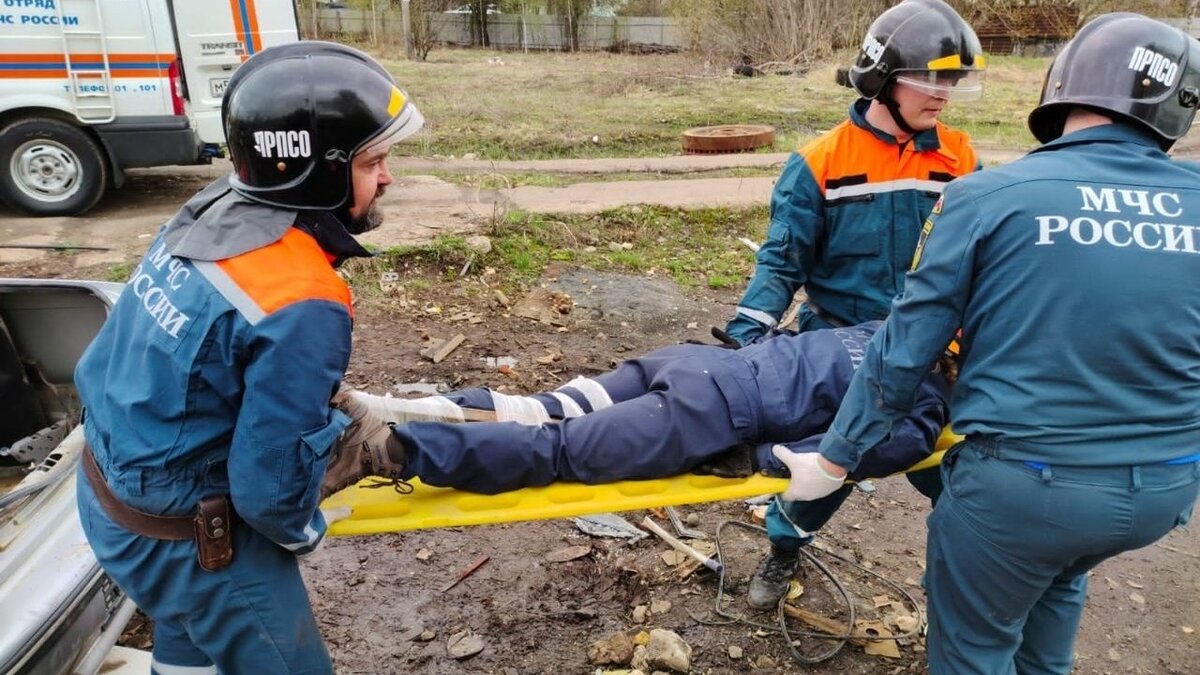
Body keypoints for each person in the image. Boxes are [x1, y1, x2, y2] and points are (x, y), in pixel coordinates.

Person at [792, 13, 1200, 674]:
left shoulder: (985, 194)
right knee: (1058, 577)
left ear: (1062, 86)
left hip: (1025, 491)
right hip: (1167, 488)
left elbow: (904, 348)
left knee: (976, 648)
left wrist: (835, 459)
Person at [73, 42, 422, 674]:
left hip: (107, 493)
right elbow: (267, 495)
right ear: (318, 171)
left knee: (190, 631)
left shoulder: (211, 210)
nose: (388, 178)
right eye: (373, 161)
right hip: (193, 543)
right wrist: (305, 530)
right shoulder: (302, 298)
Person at [722, 0, 986, 608]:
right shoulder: (820, 163)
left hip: (931, 353)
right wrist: (744, 340)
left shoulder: (961, 160)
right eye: (931, 78)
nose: (944, 94)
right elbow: (782, 262)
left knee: (959, 478)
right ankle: (784, 547)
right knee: (822, 470)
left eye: (953, 81)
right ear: (883, 77)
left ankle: (964, 584)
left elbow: (984, 259)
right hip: (841, 349)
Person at [321, 322, 951, 515]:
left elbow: (799, 340)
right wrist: (757, 461)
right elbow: (836, 458)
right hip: (711, 409)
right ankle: (386, 449)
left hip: (693, 362)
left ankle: (383, 410)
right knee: (556, 450)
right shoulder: (927, 403)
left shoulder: (892, 327)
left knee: (544, 408)